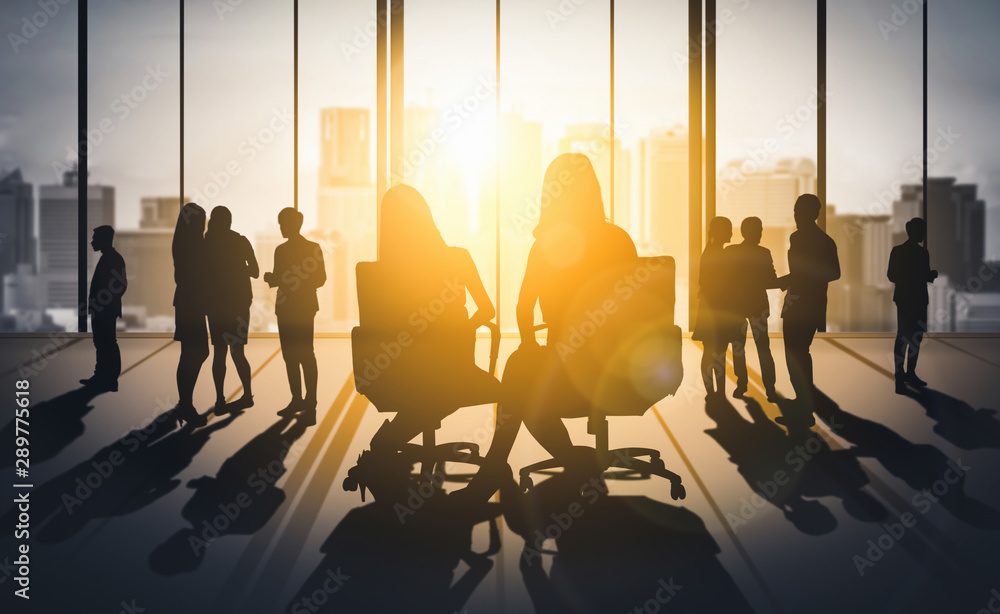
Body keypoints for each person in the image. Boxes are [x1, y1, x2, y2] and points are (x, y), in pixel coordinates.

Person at [464, 153, 638, 500]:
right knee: (523, 384)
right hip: (618, 367)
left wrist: (531, 346)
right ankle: (570, 463)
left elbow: (523, 307)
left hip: (569, 366)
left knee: (518, 379)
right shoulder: (619, 240)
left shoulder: (546, 245)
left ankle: (519, 466)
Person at [362, 185, 501, 454]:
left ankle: (392, 437)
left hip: (399, 369)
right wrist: (465, 328)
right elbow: (487, 310)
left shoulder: (384, 273)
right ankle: (391, 438)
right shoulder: (458, 257)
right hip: (453, 365)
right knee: (447, 389)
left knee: (431, 390)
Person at [776, 194, 840, 426]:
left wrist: (792, 279)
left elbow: (834, 273)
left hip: (806, 305)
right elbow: (799, 273)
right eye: (795, 211)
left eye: (799, 211)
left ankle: (805, 412)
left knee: (797, 355)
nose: (796, 215)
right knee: (797, 354)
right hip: (797, 303)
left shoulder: (823, 241)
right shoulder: (798, 238)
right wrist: (788, 281)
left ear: (812, 214)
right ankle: (803, 401)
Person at [265, 207, 326, 424]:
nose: (281, 227)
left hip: (290, 306)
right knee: (301, 354)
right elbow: (320, 279)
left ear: (292, 225)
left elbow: (283, 278)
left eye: (282, 224)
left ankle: (302, 400)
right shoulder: (313, 248)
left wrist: (277, 279)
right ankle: (306, 401)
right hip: (303, 306)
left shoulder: (282, 251)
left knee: (295, 355)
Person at [204, 206, 258, 414]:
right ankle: (247, 394)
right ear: (230, 221)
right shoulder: (241, 241)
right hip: (239, 305)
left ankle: (219, 399)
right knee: (238, 352)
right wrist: (237, 269)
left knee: (219, 353)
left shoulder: (207, 244)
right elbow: (255, 271)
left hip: (216, 306)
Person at [725, 216, 779, 402]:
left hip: (737, 307)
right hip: (758, 306)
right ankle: (770, 389)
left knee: (738, 347)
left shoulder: (731, 252)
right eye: (760, 230)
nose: (761, 233)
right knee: (763, 348)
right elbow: (771, 281)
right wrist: (786, 281)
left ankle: (742, 385)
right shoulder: (764, 253)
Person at [887, 217, 937, 394]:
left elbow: (891, 276)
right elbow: (923, 276)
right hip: (918, 299)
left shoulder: (897, 251)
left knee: (904, 337)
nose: (923, 235)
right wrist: (930, 275)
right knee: (914, 337)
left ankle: (901, 376)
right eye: (922, 231)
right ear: (915, 232)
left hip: (904, 299)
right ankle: (908, 374)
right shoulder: (923, 253)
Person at [172, 203, 210, 427]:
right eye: (201, 221)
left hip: (188, 303)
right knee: (195, 352)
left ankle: (184, 402)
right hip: (191, 304)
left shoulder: (184, 243)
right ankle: (186, 404)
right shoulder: (193, 246)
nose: (203, 226)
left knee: (191, 352)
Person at [693, 216, 736, 400]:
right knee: (717, 353)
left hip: (710, 309)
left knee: (711, 352)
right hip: (717, 311)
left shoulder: (710, 251)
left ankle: (713, 392)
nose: (732, 233)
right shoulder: (718, 253)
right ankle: (716, 392)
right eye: (728, 229)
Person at [81, 225, 126, 392]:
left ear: (104, 239)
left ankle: (109, 379)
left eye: (95, 239)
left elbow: (121, 285)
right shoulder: (110, 258)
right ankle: (103, 376)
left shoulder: (112, 259)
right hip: (102, 309)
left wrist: (103, 302)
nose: (92, 242)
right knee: (103, 343)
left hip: (105, 310)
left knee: (106, 343)